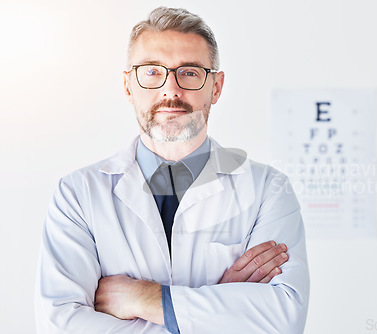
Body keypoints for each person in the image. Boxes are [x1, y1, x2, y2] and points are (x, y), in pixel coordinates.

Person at [35, 7, 309, 334]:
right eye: (152, 71)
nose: (170, 91)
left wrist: (143, 298)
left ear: (216, 87)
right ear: (128, 86)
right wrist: (219, 307)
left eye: (189, 72)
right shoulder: (78, 194)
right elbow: (60, 324)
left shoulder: (268, 189)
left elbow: (283, 318)